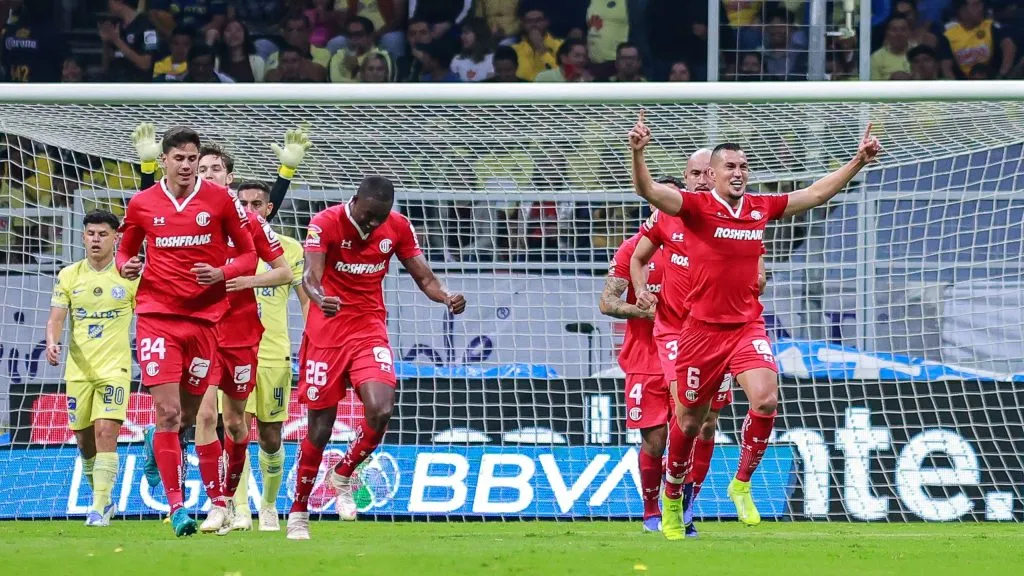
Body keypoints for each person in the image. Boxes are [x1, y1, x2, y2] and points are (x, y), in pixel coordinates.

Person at [628, 112, 880, 538]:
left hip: (747, 327)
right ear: (712, 173)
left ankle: (741, 485)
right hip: (700, 332)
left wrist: (856, 162)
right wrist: (639, 153)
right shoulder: (695, 207)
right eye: (731, 166)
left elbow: (814, 194)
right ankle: (672, 494)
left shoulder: (759, 208)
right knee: (689, 423)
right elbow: (648, 190)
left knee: (765, 400)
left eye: (744, 167)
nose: (739, 173)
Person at [129, 123, 311, 532]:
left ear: (227, 178)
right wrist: (144, 167)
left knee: (240, 426)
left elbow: (268, 244)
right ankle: (218, 504)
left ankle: (248, 501)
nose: (203, 173)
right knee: (202, 416)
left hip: (247, 337)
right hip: (200, 327)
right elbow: (151, 214)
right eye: (199, 166)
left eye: (211, 168)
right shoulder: (185, 210)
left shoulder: (241, 216)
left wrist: (239, 278)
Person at [286, 176, 467, 540]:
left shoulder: (397, 226)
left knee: (382, 408)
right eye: (368, 216)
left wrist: (446, 295)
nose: (372, 224)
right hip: (326, 334)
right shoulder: (325, 223)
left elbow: (425, 278)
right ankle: (299, 512)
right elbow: (310, 276)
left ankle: (343, 472)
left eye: (379, 218)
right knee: (319, 428)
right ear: (355, 201)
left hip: (368, 330)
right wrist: (321, 299)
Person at [115, 126, 259, 537]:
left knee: (194, 417)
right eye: (178, 158)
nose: (185, 165)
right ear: (163, 160)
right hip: (157, 317)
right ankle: (178, 508)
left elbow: (248, 255)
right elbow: (126, 248)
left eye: (192, 158)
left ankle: (159, 448)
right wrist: (125, 265)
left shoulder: (219, 200)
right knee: (169, 412)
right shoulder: (143, 203)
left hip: (205, 321)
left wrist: (222, 271)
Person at [628, 152, 767, 539]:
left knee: (707, 425)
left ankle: (687, 500)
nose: (702, 180)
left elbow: (757, 271)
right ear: (687, 178)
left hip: (722, 330)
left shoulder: (732, 218)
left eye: (708, 173)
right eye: (694, 173)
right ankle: (660, 504)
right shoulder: (669, 215)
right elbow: (636, 260)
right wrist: (641, 292)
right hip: (677, 332)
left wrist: (750, 279)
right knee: (683, 412)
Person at [225, 180, 310, 531]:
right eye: (242, 203)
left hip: (274, 353)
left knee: (271, 434)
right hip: (235, 350)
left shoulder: (288, 249)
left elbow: (307, 299)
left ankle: (270, 505)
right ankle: (240, 507)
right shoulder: (225, 245)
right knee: (235, 429)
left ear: (268, 209)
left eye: (256, 204)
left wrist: (315, 342)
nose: (249, 210)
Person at [45, 209, 139, 527]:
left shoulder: (129, 276)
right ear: (83, 236)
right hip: (78, 370)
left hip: (115, 368)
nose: (96, 239)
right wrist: (52, 341)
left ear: (116, 237)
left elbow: (150, 315)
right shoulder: (69, 275)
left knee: (105, 432)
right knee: (84, 440)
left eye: (102, 234)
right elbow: (56, 317)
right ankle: (105, 497)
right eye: (91, 233)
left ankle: (98, 507)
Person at [598, 213, 664, 533]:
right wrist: (644, 310)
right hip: (645, 359)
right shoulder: (632, 249)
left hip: (690, 353)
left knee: (692, 433)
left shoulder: (695, 245)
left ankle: (684, 505)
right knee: (655, 440)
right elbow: (607, 302)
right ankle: (652, 510)